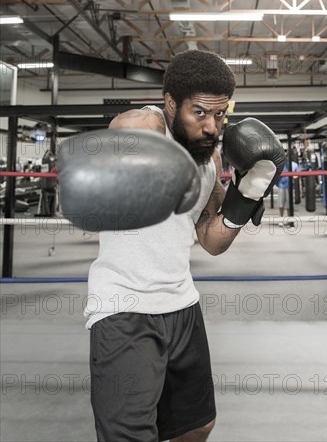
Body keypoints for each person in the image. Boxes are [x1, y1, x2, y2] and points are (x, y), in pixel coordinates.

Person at [81, 50, 285, 442]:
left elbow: (211, 241)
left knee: (197, 425)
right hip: (125, 308)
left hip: (182, 305)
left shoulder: (207, 158)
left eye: (220, 114)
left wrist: (248, 194)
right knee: (129, 434)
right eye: (200, 113)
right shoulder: (144, 125)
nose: (212, 127)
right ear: (170, 102)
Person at [276, 159, 300, 226]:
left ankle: (289, 220)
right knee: (281, 204)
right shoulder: (280, 164)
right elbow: (276, 174)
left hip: (290, 186)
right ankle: (280, 219)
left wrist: (294, 176)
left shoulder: (294, 164)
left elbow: (298, 174)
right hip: (281, 185)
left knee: (289, 205)